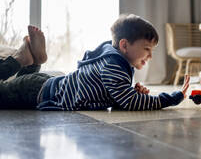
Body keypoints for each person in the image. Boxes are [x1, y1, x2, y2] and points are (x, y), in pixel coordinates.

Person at [0, 14, 190, 110]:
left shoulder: (112, 60)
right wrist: (170, 98)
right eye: (147, 49)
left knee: (11, 88)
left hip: (40, 85)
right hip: (38, 91)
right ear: (124, 45)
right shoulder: (114, 65)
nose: (150, 56)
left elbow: (119, 99)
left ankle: (31, 62)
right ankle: (21, 60)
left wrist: (130, 90)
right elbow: (129, 102)